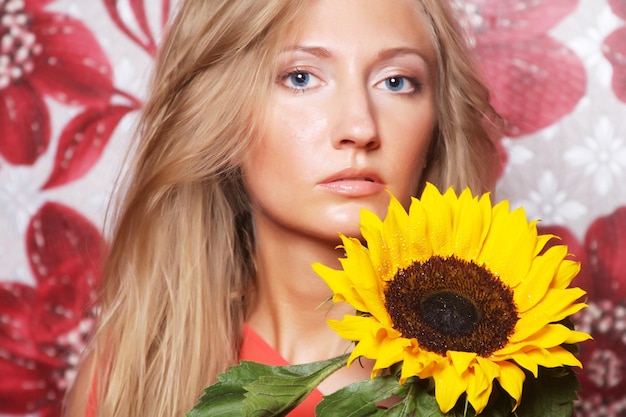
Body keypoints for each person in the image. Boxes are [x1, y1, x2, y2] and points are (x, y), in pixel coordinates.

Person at [64, 0, 500, 415]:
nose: (360, 127)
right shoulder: (126, 376)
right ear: (218, 112)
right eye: (301, 77)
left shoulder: (493, 378)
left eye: (395, 82)